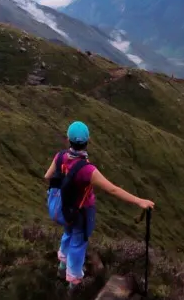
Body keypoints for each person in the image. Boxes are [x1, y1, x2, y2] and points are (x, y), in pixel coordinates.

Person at [44, 121, 154, 287]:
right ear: (88, 141)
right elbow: (113, 190)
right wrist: (140, 201)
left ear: (68, 139)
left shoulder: (59, 157)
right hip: (80, 212)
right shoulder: (87, 170)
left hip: (64, 208)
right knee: (78, 244)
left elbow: (48, 176)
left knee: (68, 233)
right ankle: (73, 283)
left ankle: (62, 266)